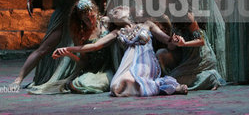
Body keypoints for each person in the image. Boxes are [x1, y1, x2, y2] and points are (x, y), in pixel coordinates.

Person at [12, 0, 113, 89]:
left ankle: (70, 76)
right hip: (65, 19)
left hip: (75, 18)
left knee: (71, 49)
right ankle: (18, 80)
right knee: (45, 49)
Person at [53, 5, 188, 97]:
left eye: (117, 11)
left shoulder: (147, 24)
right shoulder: (117, 32)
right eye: (112, 14)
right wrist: (68, 49)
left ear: (128, 12)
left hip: (145, 61)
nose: (113, 14)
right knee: (116, 88)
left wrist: (176, 41)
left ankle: (168, 86)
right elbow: (95, 46)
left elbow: (167, 41)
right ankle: (159, 86)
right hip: (127, 64)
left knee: (127, 82)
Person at [140, 0, 225, 91]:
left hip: (200, 58)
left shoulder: (186, 14)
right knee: (169, 81)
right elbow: (173, 44)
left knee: (172, 81)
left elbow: (201, 40)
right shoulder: (171, 13)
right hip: (187, 57)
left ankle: (211, 77)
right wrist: (173, 40)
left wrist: (184, 44)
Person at [29, 0, 114, 94]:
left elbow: (96, 46)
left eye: (93, 16)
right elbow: (84, 62)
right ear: (81, 19)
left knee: (92, 84)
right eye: (86, 19)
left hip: (108, 69)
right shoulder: (81, 34)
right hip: (93, 70)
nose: (91, 21)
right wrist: (68, 54)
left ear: (97, 13)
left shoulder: (105, 23)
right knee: (80, 83)